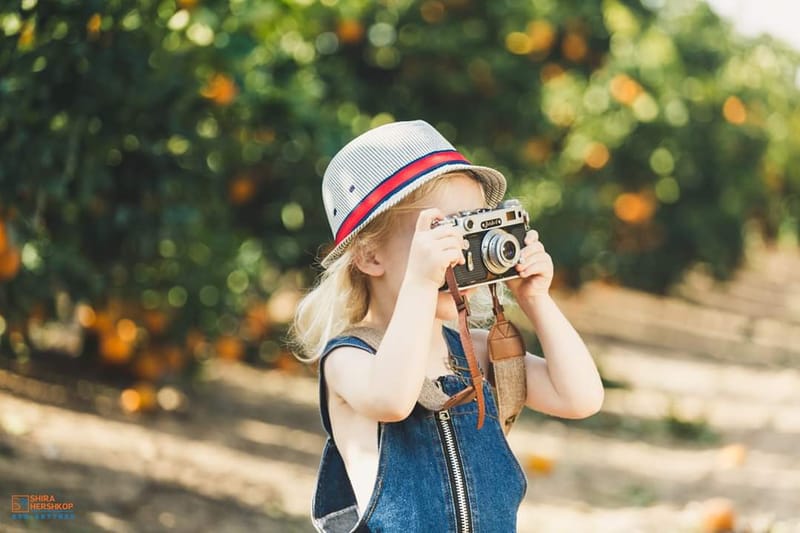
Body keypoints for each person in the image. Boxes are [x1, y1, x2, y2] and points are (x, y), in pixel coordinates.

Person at [292, 120, 604, 532]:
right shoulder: (350, 358)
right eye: (443, 234)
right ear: (369, 258)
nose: (460, 255)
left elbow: (580, 397)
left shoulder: (473, 353)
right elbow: (392, 399)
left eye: (473, 229)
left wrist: (536, 301)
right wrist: (422, 281)